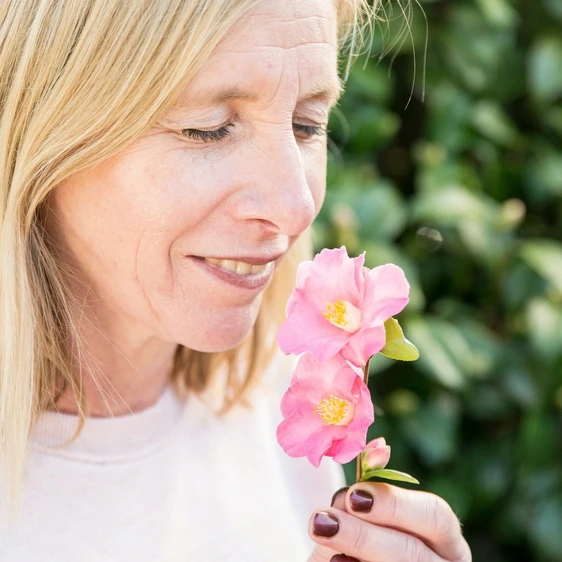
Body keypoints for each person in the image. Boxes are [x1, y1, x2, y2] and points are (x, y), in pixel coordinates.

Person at [0, 1, 472, 560]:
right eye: (209, 130)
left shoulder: (283, 396)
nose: (297, 208)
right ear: (40, 133)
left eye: (306, 124)